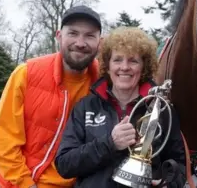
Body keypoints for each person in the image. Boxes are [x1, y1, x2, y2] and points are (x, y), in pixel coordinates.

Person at [55, 27, 186, 188]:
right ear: (108, 66)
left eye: (133, 61)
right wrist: (111, 143)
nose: (124, 67)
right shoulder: (86, 106)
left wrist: (168, 184)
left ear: (144, 67)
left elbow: (179, 164)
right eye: (117, 60)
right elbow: (64, 165)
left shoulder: (162, 109)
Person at [0, 5, 102, 188]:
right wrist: (26, 184)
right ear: (59, 36)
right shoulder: (26, 74)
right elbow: (4, 142)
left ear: (100, 42)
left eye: (89, 35)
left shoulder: (105, 83)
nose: (80, 42)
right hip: (26, 182)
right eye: (73, 33)